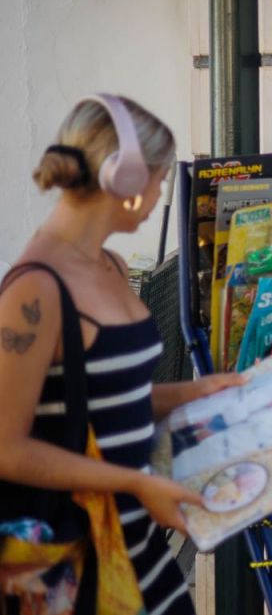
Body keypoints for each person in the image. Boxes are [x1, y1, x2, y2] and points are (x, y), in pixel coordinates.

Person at [0, 95, 245, 615]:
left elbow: (105, 397)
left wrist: (196, 391)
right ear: (126, 178)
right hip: (76, 570)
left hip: (141, 553)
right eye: (159, 179)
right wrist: (135, 481)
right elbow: (6, 447)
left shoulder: (109, 264)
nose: (159, 195)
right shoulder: (33, 292)